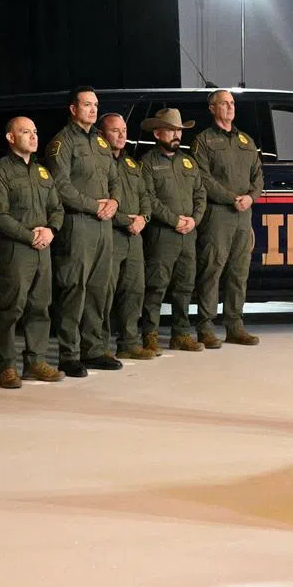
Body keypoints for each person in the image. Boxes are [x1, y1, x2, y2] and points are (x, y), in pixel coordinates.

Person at [45, 87, 121, 375]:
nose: (93, 110)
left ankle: (94, 349)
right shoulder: (62, 143)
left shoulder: (101, 144)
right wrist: (93, 205)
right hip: (77, 223)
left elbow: (114, 178)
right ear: (73, 109)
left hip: (103, 225)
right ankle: (69, 354)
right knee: (74, 289)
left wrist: (114, 201)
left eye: (96, 105)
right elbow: (60, 186)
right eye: (87, 105)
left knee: (100, 290)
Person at [0, 117, 65, 388]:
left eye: (35, 131)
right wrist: (30, 235)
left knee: (40, 307)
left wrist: (51, 230)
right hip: (16, 249)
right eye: (25, 132)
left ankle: (35, 362)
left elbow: (57, 208)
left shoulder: (42, 172)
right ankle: (7, 366)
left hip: (42, 249)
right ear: (10, 137)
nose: (33, 137)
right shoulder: (0, 172)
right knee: (11, 309)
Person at [191, 89, 263, 348]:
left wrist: (251, 197)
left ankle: (235, 325)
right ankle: (206, 328)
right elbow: (202, 178)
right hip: (218, 215)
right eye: (224, 103)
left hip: (243, 216)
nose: (230, 107)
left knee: (238, 271)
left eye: (232, 103)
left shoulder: (246, 141)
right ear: (212, 108)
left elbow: (258, 177)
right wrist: (232, 197)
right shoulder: (204, 141)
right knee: (212, 269)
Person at [139, 108, 206, 353]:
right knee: (156, 287)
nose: (176, 135)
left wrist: (194, 220)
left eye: (179, 130)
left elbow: (200, 194)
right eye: (171, 130)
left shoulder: (189, 162)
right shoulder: (148, 163)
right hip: (162, 235)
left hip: (188, 234)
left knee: (185, 286)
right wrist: (174, 220)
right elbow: (148, 198)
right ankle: (150, 335)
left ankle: (181, 334)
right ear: (158, 133)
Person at [97, 113, 155, 361]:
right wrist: (126, 220)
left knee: (134, 290)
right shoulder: (99, 164)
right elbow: (101, 201)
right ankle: (99, 345)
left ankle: (129, 343)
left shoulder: (132, 164)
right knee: (104, 293)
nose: (122, 135)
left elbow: (145, 196)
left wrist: (144, 218)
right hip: (110, 234)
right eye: (115, 130)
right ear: (102, 134)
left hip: (135, 236)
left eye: (124, 130)